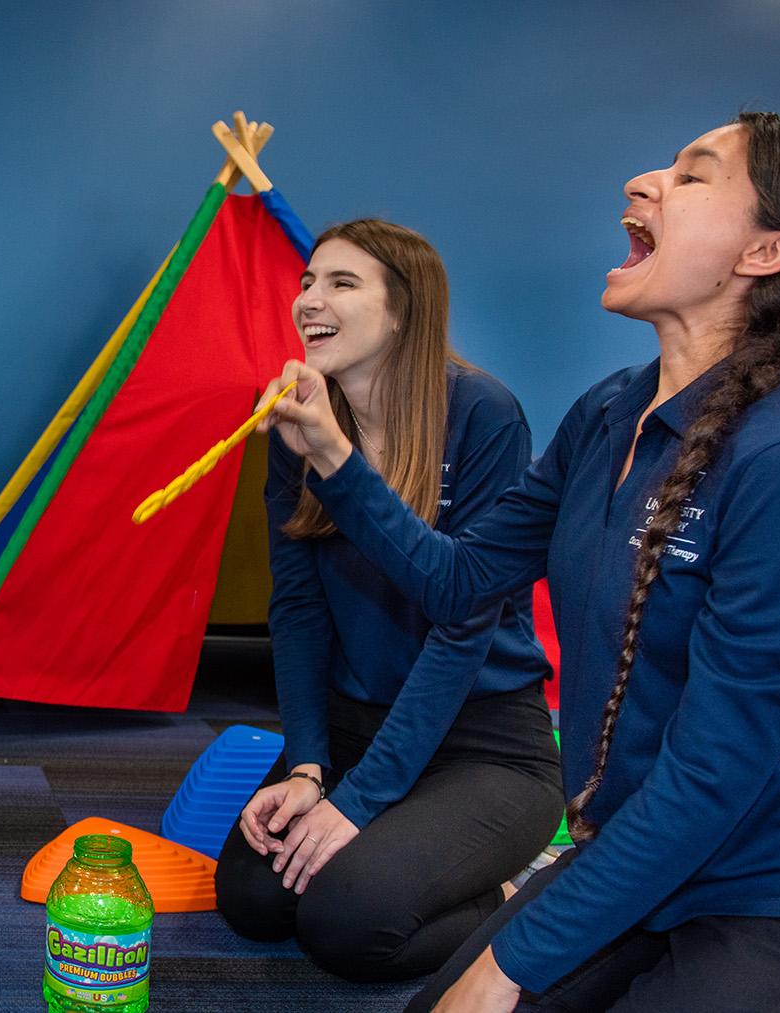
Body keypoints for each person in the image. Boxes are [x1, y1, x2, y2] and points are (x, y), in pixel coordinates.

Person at [258, 113, 780, 1011]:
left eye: (692, 175)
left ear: (765, 252)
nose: (642, 182)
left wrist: (512, 961)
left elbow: (713, 776)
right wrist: (334, 460)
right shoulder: (609, 412)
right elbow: (457, 580)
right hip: (638, 859)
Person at [213, 219, 564, 982]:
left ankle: (523, 892)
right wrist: (308, 767)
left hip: (483, 743)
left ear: (404, 311)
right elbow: (298, 607)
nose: (310, 298)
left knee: (344, 921)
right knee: (252, 898)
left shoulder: (482, 413)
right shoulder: (301, 424)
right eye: (308, 280)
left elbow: (462, 620)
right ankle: (398, 842)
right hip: (353, 728)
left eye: (342, 282)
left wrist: (360, 800)